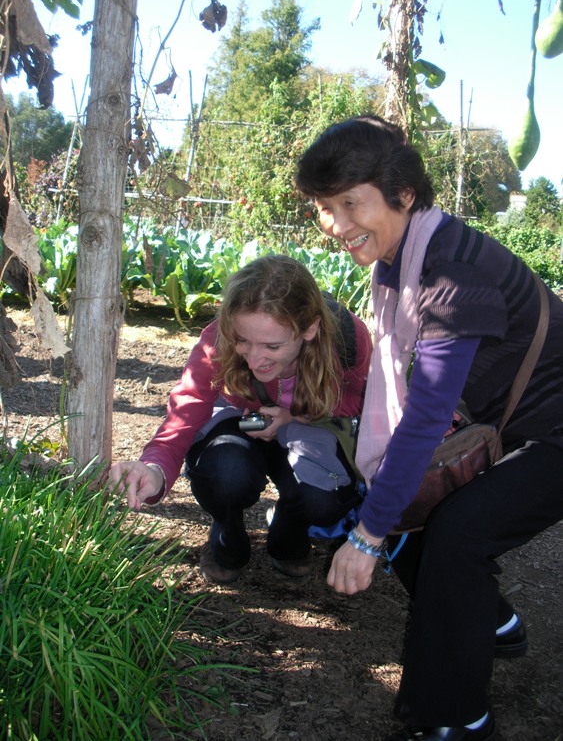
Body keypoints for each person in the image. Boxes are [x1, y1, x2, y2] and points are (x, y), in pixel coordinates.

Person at [295, 115, 563, 741]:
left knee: (456, 532)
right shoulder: (402, 259)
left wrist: (365, 537)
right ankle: (493, 626)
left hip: (556, 430)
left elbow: (422, 417)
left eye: (350, 203)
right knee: (420, 512)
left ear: (403, 195)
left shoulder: (449, 271)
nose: (337, 225)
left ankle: (455, 719)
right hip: (522, 421)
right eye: (324, 208)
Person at [110, 254, 372, 584]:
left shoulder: (348, 339)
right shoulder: (217, 339)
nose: (255, 360)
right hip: (239, 421)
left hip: (308, 426)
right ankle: (227, 537)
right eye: (242, 341)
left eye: (272, 346)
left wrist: (295, 416)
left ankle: (289, 536)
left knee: (325, 498)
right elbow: (186, 410)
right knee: (225, 474)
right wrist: (155, 468)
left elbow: (358, 403)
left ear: (310, 329)